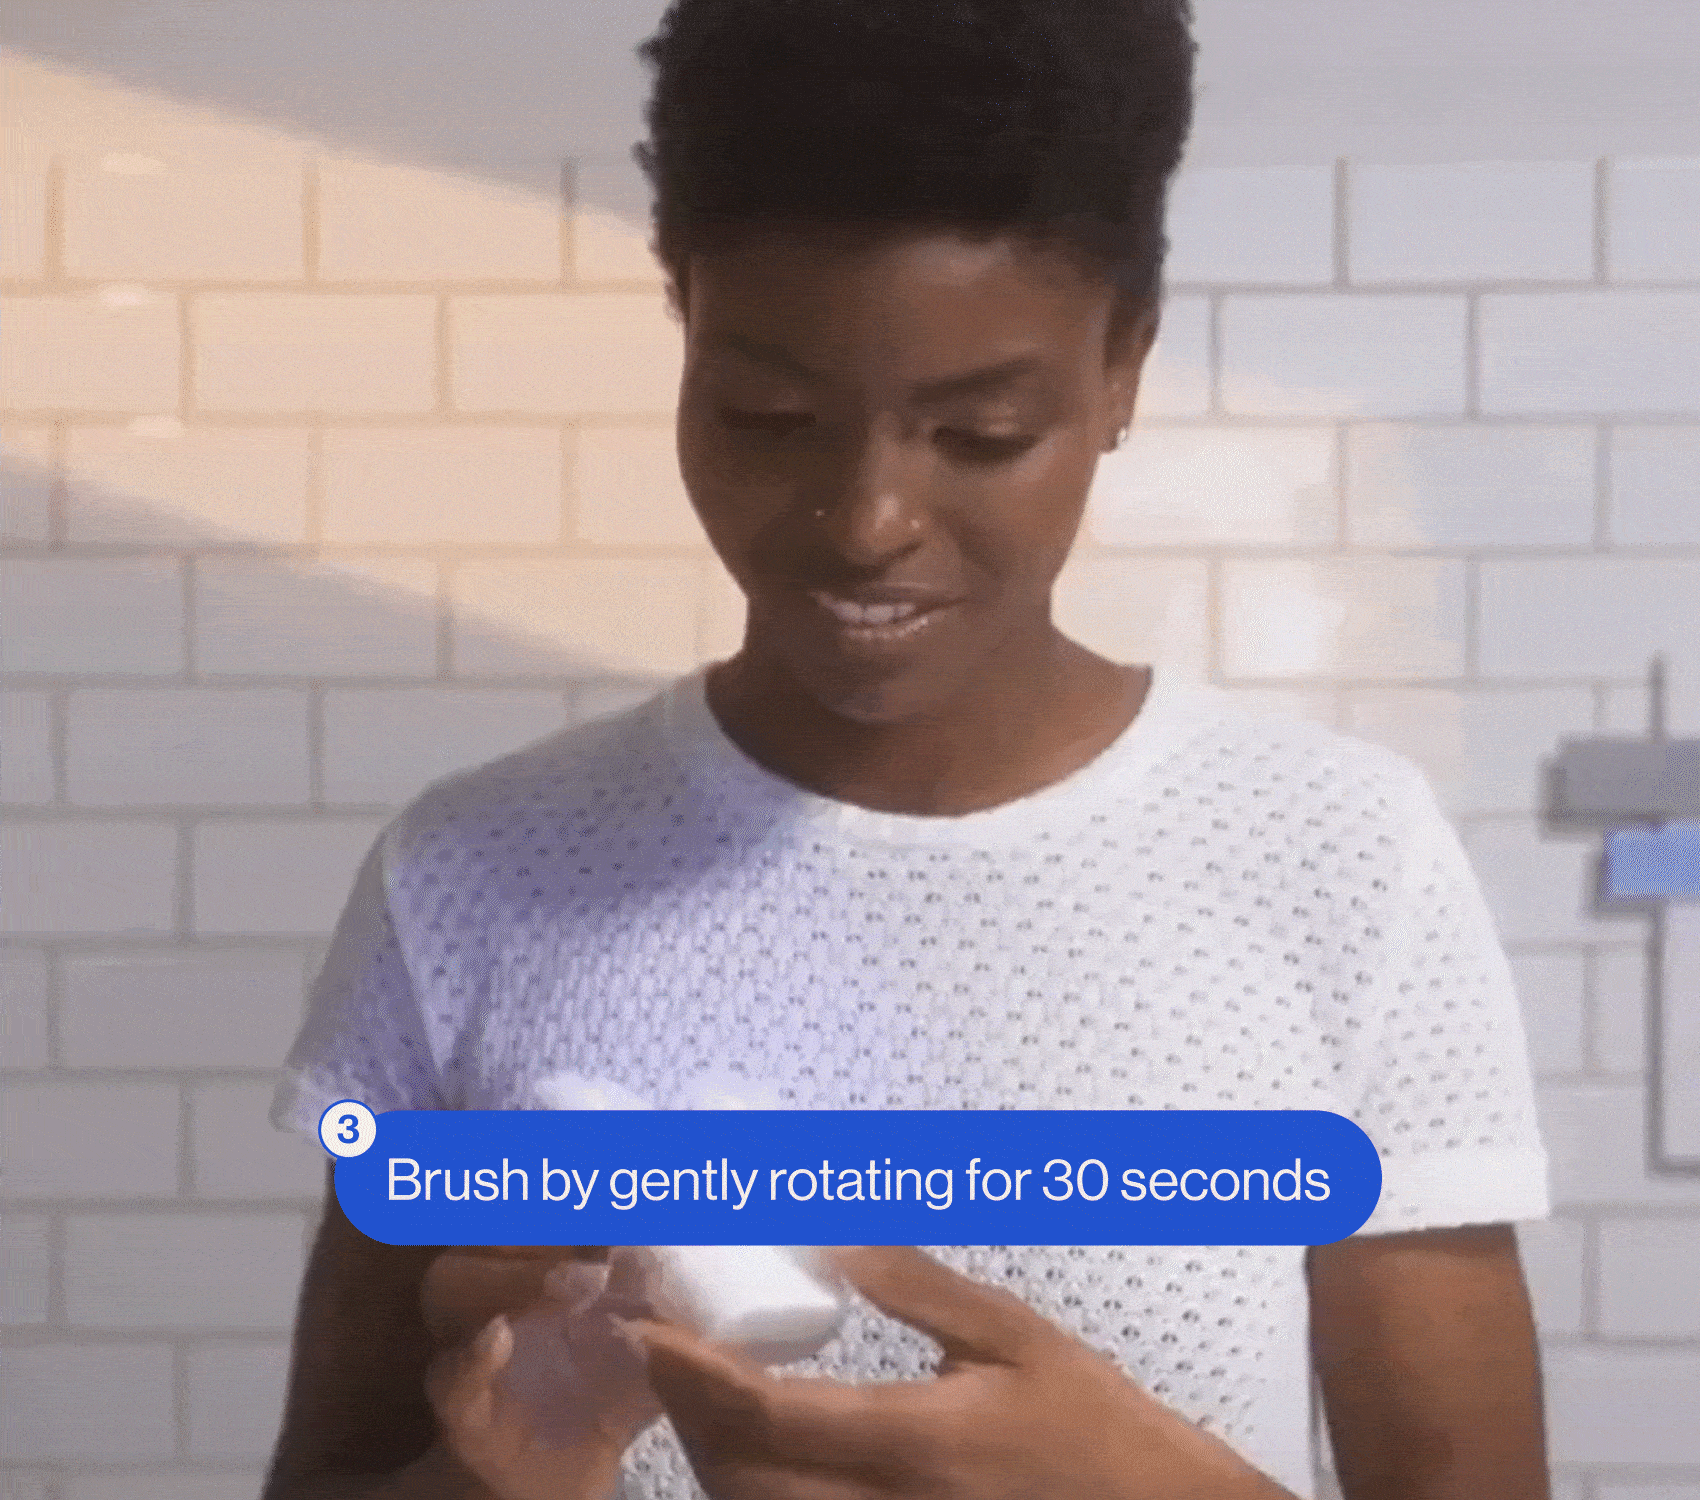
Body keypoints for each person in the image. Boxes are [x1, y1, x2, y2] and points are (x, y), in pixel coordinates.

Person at [261, 0, 1555, 1496]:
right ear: (684, 326)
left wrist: (1145, 1480)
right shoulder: (473, 877)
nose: (869, 522)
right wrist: (493, 1480)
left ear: (1123, 368)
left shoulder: (1339, 860)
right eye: (769, 414)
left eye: (981, 434)